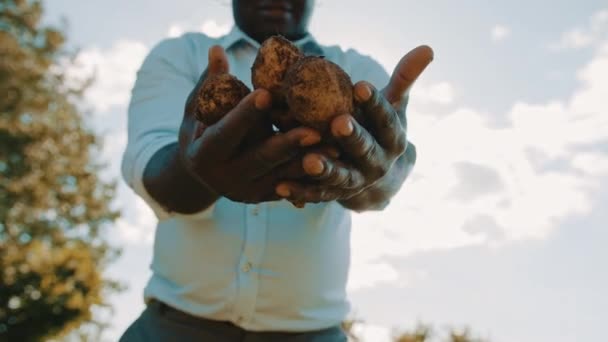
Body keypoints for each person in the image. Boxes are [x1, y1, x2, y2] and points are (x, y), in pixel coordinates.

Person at [119, 0, 433, 341]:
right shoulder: (182, 55)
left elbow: (390, 175)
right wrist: (193, 166)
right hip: (171, 328)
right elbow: (152, 168)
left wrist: (380, 169)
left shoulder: (356, 70)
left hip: (313, 333)